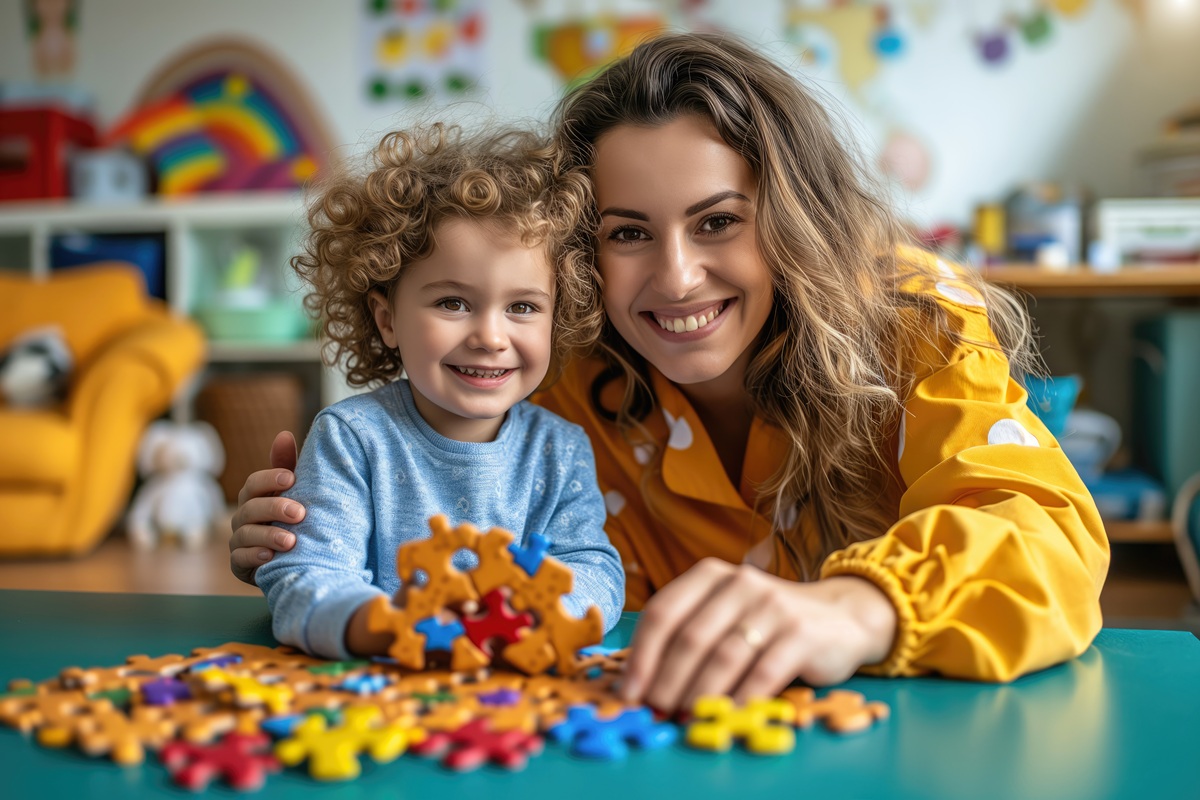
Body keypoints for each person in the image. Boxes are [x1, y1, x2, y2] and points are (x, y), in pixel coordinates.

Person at [231, 33, 1109, 710]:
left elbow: (1044, 534)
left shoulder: (911, 314)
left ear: (792, 217)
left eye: (719, 221)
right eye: (628, 232)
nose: (678, 276)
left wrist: (857, 608)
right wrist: (310, 545)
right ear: (578, 255)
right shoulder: (558, 371)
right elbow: (473, 533)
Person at [250, 122, 624, 660]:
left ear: (556, 318)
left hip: (513, 702)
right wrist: (394, 626)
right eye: (452, 303)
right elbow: (304, 577)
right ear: (387, 320)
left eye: (522, 307)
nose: (491, 337)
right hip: (378, 699)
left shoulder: (559, 450)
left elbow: (593, 569)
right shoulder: (352, 438)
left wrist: (533, 619)